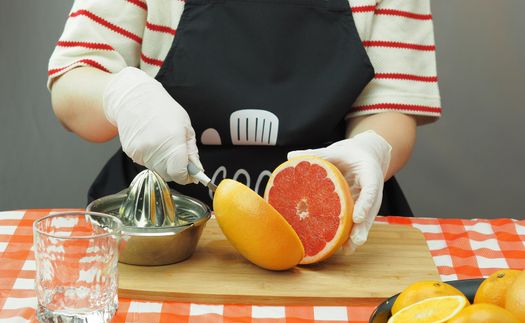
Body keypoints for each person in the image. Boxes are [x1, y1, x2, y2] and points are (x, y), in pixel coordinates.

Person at [48, 0, 441, 250]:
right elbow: (70, 89)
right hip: (159, 233)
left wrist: (372, 149)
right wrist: (119, 94)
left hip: (328, 229)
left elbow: (392, 109)